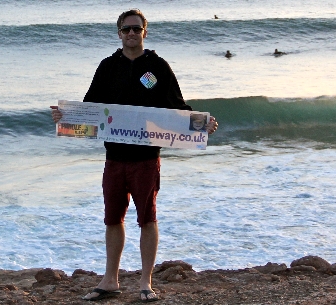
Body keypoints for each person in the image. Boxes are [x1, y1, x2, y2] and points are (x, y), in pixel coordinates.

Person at [50, 9, 218, 302]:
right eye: (126, 29)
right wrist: (65, 117)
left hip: (146, 158)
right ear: (119, 33)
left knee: (147, 218)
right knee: (112, 218)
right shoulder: (107, 67)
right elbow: (90, 107)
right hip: (114, 157)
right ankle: (110, 280)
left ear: (144, 32)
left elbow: (176, 106)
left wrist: (201, 125)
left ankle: (145, 282)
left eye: (136, 29)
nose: (131, 33)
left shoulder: (158, 67)